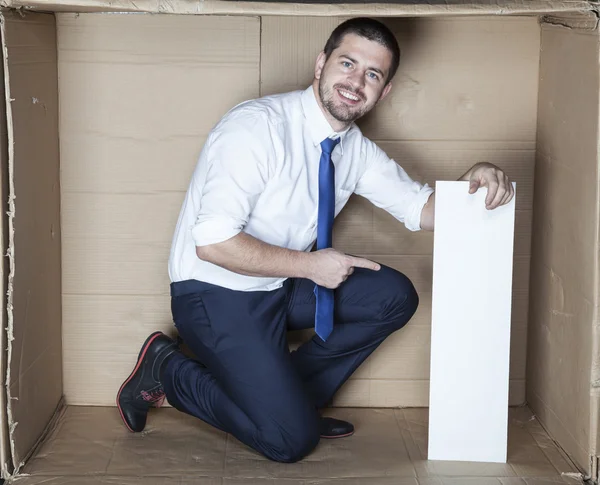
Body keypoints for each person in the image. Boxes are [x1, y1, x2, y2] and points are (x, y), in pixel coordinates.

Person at [116, 17, 514, 463]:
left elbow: (422, 209)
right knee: (289, 442)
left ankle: (292, 405)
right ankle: (166, 370)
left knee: (393, 296)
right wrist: (310, 266)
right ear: (321, 63)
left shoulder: (353, 149)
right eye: (347, 63)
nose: (355, 82)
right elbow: (213, 244)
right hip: (214, 294)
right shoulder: (256, 127)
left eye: (372, 74)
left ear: (383, 92)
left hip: (278, 286)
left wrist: (474, 181)